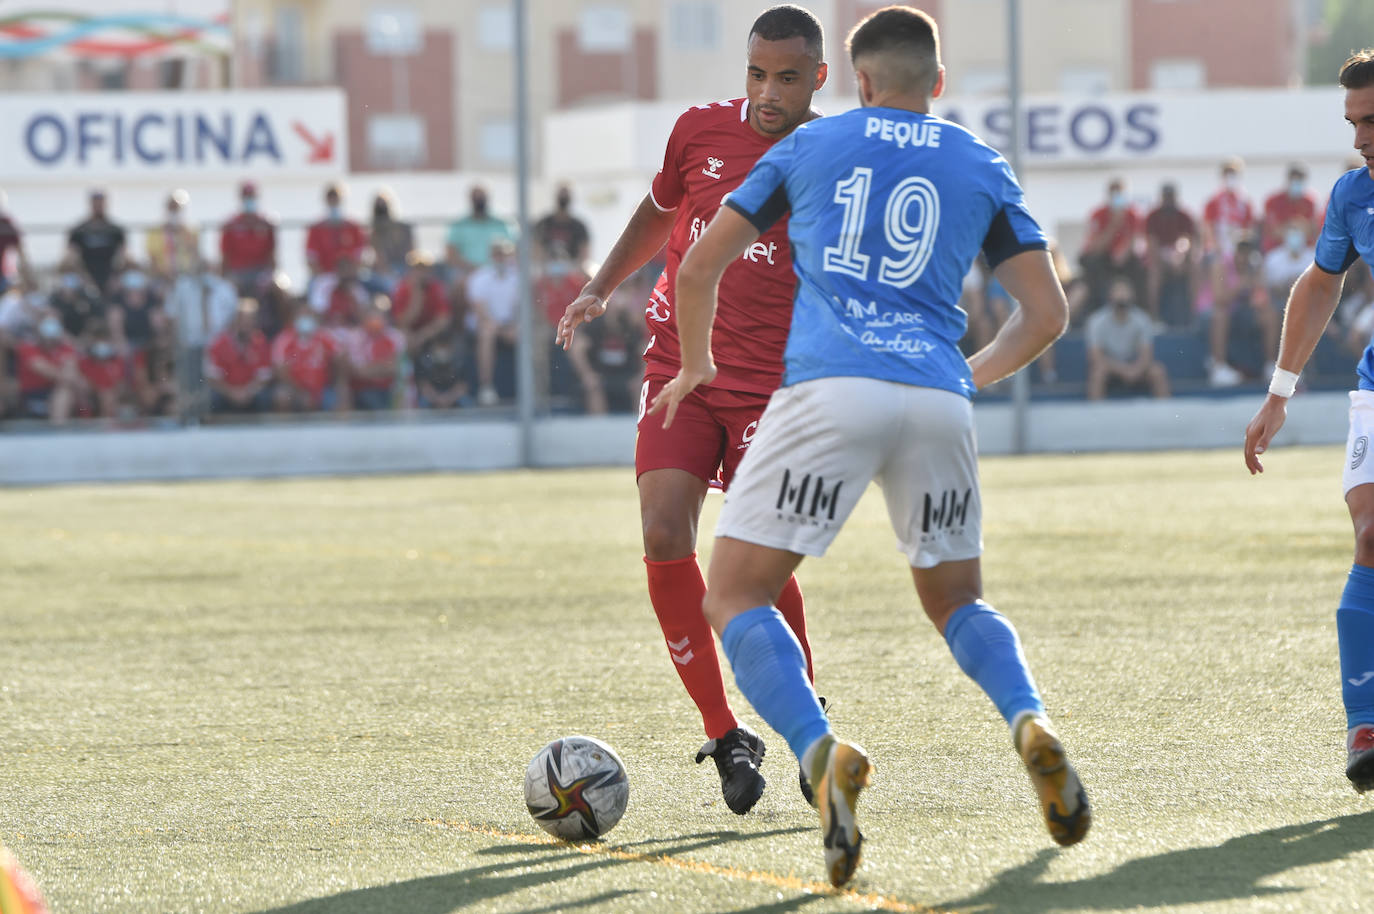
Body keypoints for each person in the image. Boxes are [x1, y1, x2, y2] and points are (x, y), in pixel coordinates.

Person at [649, 6, 1090, 885]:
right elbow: (1046, 316)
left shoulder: (808, 149)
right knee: (958, 601)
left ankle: (818, 752)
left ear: (852, 82)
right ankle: (1027, 717)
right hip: (935, 396)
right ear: (937, 81)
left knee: (735, 593)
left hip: (826, 390)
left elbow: (698, 266)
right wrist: (965, 376)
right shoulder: (978, 161)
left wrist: (696, 362)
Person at [555, 4, 828, 814]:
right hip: (679, 370)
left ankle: (810, 731)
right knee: (663, 534)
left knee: (755, 568)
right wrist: (603, 284)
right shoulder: (699, 132)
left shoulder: (832, 158)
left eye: (785, 77)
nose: (766, 92)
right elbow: (659, 209)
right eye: (755, 73)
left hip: (771, 389)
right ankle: (725, 732)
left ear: (818, 77)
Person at [1244, 48, 1374, 796]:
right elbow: (1322, 281)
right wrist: (1279, 391)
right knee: (1370, 533)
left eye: (1373, 119)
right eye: (1353, 122)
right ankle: (1367, 723)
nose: (1360, 138)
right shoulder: (1353, 196)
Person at [1084, 277, 1170, 399]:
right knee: (1097, 374)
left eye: (1125, 291)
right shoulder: (1096, 321)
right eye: (1117, 291)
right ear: (1110, 295)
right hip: (1110, 368)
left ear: (1132, 295)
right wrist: (1124, 371)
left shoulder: (1142, 319)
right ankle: (1095, 414)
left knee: (1157, 372)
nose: (1122, 295)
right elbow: (1096, 357)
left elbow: (1147, 355)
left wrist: (1135, 369)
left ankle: (1165, 412)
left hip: (1135, 366)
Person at [1078, 177, 1144, 317]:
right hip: (1101, 259)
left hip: (1122, 260)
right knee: (1095, 265)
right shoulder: (1098, 214)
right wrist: (1114, 224)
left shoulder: (1132, 214)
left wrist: (1122, 254)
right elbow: (1095, 247)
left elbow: (1133, 240)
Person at [467, 238, 521, 405]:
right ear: (491, 256)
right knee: (487, 334)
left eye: (504, 254)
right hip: (488, 324)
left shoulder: (518, 277)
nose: (501, 258)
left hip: (511, 324)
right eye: (497, 254)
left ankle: (529, 386)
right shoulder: (479, 277)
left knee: (527, 333)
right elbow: (480, 311)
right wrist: (500, 329)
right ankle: (486, 386)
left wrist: (514, 327)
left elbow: (522, 308)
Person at [1144, 182, 1200, 327]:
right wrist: (1166, 261)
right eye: (1166, 197)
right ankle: (1154, 317)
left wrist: (1179, 257)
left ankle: (1194, 314)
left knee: (1195, 269)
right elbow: (1152, 245)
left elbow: (1188, 240)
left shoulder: (1184, 216)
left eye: (1171, 196)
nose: (1168, 200)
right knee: (1154, 274)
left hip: (1180, 259)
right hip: (1160, 261)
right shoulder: (1153, 216)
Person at [204, 298, 274, 415]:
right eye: (243, 320)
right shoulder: (219, 343)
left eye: (250, 321)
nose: (246, 325)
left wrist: (247, 392)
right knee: (213, 398)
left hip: (250, 393)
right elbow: (213, 377)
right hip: (227, 392)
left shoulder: (260, 342)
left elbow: (264, 376)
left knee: (265, 397)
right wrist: (232, 393)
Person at [342, 300, 406, 410]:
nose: (375, 321)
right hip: (361, 390)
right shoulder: (355, 337)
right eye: (371, 317)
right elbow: (357, 371)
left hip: (388, 389)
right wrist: (382, 368)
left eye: (378, 317)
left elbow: (394, 368)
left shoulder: (395, 337)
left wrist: (372, 369)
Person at [220, 181, 277, 296]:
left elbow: (272, 255)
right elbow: (225, 257)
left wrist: (268, 275)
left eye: (252, 196)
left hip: (260, 272)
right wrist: (228, 278)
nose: (249, 200)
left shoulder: (267, 224)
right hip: (237, 273)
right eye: (246, 197)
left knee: (279, 291)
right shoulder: (231, 224)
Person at [67, 190, 127, 294]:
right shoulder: (79, 230)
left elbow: (122, 255)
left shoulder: (115, 229)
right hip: (85, 274)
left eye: (101, 203)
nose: (98, 206)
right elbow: (72, 257)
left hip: (110, 274)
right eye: (96, 203)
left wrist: (116, 276)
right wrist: (84, 278)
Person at [305, 184, 368, 279]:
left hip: (350, 277)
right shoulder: (316, 228)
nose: (334, 202)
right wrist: (323, 276)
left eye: (336, 198)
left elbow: (361, 254)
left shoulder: (354, 227)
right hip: (324, 276)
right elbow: (311, 257)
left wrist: (350, 275)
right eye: (331, 198)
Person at [144, 188, 201, 283]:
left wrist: (183, 233)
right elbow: (152, 258)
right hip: (161, 278)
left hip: (186, 276)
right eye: (171, 207)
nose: (174, 211)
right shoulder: (154, 232)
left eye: (177, 208)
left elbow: (195, 254)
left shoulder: (192, 231)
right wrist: (164, 275)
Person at [1261, 163, 1319, 253]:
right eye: (1294, 180)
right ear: (1288, 180)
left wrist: (1291, 226)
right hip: (1277, 248)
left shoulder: (1309, 201)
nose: (1296, 184)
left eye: (1299, 181)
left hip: (1303, 250)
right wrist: (1296, 225)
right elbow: (1273, 231)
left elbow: (1312, 230)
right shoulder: (1273, 201)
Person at [369, 190, 415, 291]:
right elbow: (380, 259)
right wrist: (390, 274)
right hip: (386, 273)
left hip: (404, 269)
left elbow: (412, 253)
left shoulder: (404, 228)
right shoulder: (375, 233)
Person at [533, 184, 591, 264]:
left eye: (565, 195)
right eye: (561, 194)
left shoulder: (579, 227)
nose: (563, 197)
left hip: (572, 273)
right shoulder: (543, 224)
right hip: (547, 272)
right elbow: (536, 249)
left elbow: (584, 254)